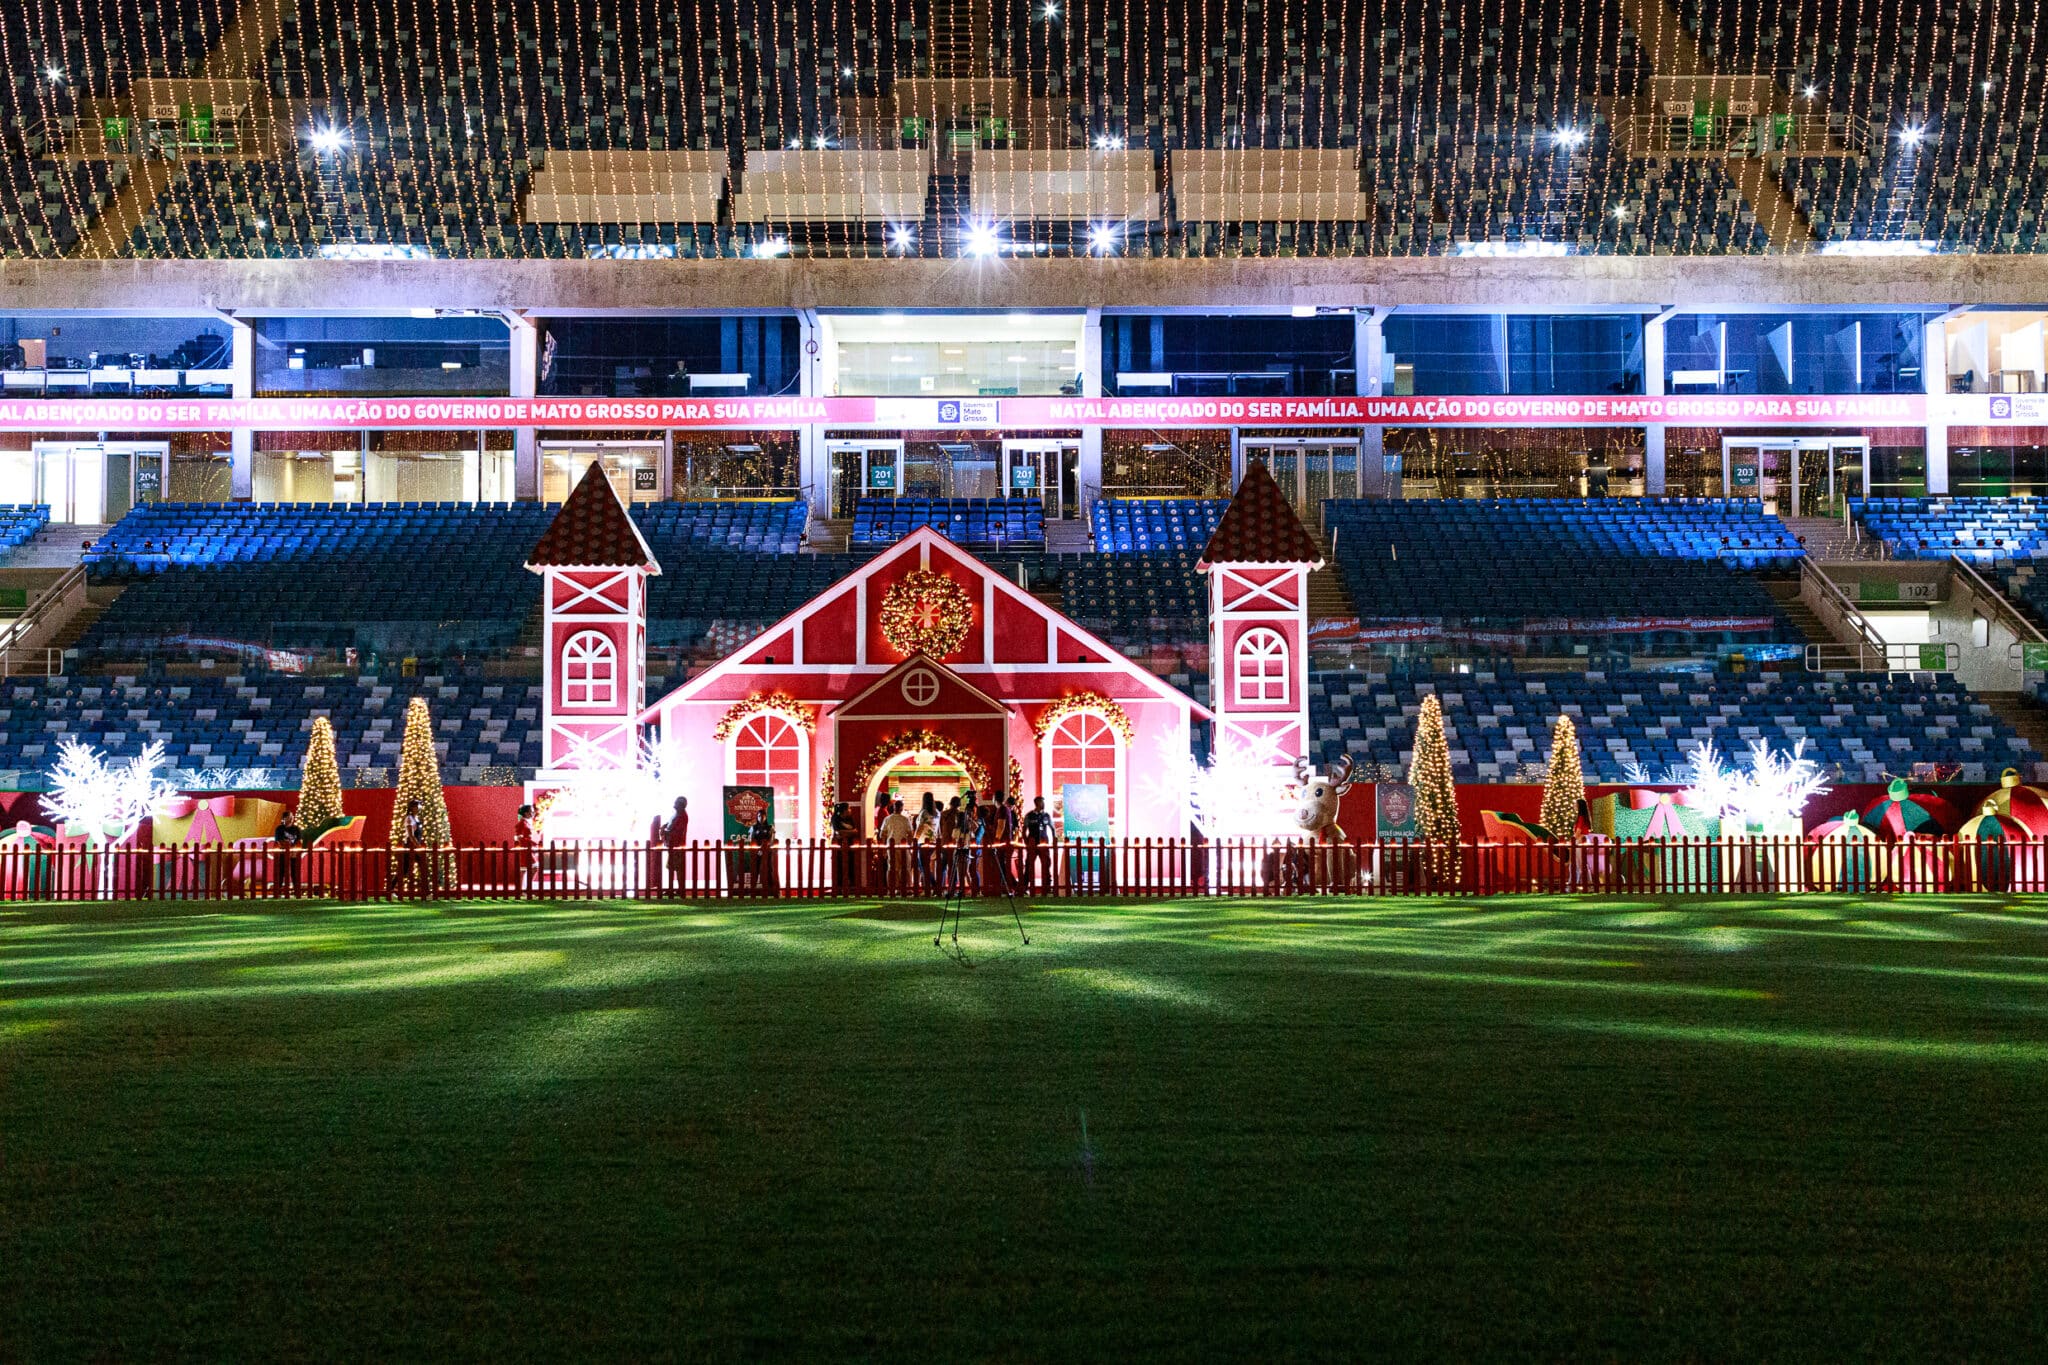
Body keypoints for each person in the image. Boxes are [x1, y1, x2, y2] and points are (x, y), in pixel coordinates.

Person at [391, 797, 428, 895]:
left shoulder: (416, 818)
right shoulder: (409, 818)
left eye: (419, 805)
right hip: (410, 846)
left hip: (416, 846)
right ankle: (390, 889)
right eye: (416, 806)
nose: (419, 807)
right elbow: (411, 835)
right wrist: (418, 846)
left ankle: (427, 891)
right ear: (412, 808)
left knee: (421, 868)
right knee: (405, 869)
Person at [878, 799, 914, 893]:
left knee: (892, 868)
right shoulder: (905, 819)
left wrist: (884, 848)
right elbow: (910, 834)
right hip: (903, 847)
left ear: (893, 808)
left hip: (891, 847)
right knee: (905, 868)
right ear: (901, 808)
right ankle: (907, 888)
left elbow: (882, 834)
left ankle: (892, 888)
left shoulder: (888, 819)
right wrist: (909, 846)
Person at [1022, 796, 1054, 893]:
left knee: (1046, 864)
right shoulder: (1029, 816)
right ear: (1037, 803)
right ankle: (1024, 887)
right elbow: (1024, 830)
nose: (1043, 805)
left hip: (1044, 843)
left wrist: (1053, 840)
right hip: (1032, 842)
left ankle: (1047, 887)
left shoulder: (1046, 816)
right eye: (1042, 802)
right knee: (1029, 865)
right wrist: (1026, 842)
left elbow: (1052, 828)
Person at [272, 803, 303, 897]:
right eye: (289, 817)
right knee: (281, 872)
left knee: (295, 873)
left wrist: (294, 850)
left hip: (294, 854)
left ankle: (297, 891)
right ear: (284, 818)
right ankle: (278, 891)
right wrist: (286, 848)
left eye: (292, 816)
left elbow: (299, 841)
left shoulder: (296, 829)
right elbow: (279, 841)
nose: (292, 818)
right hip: (282, 854)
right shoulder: (279, 829)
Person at [914, 793, 942, 892]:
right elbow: (938, 828)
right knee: (927, 865)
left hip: (923, 841)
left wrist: (915, 839)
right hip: (934, 841)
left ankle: (934, 886)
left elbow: (920, 827)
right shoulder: (937, 813)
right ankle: (933, 886)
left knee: (923, 865)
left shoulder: (924, 813)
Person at [829, 800, 860, 890]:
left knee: (850, 866)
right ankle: (839, 886)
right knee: (839, 866)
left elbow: (855, 832)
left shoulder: (850, 819)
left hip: (850, 846)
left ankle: (850, 885)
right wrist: (849, 832)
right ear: (844, 810)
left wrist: (844, 833)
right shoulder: (835, 818)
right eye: (849, 808)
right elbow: (838, 833)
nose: (850, 810)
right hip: (838, 847)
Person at [749, 805, 779, 896]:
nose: (760, 818)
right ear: (756, 817)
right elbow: (751, 840)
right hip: (756, 852)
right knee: (755, 869)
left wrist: (764, 850)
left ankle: (771, 889)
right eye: (758, 816)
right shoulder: (753, 828)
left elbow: (772, 840)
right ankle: (753, 890)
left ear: (765, 817)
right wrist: (758, 850)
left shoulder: (770, 827)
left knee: (769, 869)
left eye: (762, 816)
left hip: (767, 852)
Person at [663, 796, 690, 896]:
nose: (674, 803)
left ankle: (679, 889)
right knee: (672, 867)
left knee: (678, 868)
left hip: (677, 845)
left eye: (677, 802)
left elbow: (677, 831)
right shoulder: (677, 814)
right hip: (673, 845)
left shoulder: (682, 816)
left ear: (681, 805)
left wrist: (665, 831)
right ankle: (673, 888)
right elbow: (670, 825)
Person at [514, 803, 539, 891]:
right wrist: (529, 841)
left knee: (525, 869)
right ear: (526, 813)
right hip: (526, 849)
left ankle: (524, 890)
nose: (533, 814)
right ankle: (524, 890)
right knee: (527, 869)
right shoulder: (522, 823)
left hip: (530, 848)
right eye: (531, 812)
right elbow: (518, 836)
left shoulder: (527, 823)